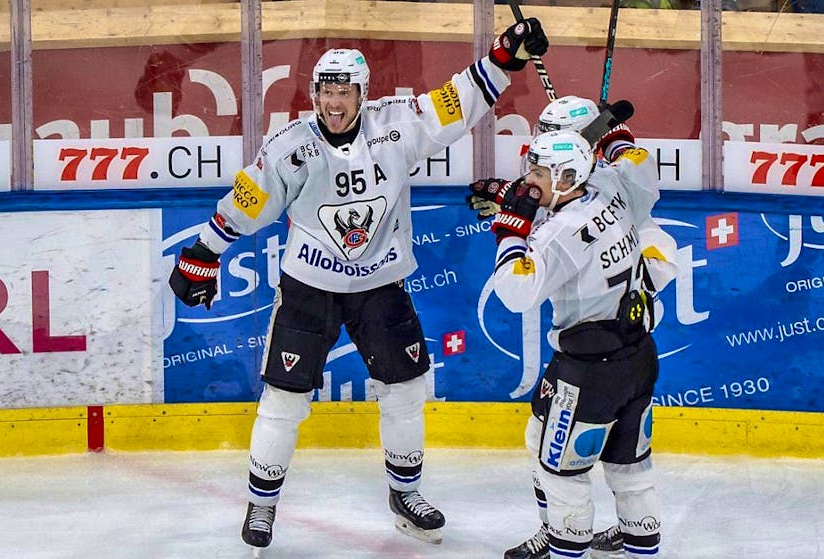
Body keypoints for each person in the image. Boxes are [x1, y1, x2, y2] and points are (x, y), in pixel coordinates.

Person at [167, 19, 549, 555]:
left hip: (381, 284)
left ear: (362, 95)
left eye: (344, 92)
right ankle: (262, 502)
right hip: (309, 288)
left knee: (406, 390)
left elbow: (454, 103)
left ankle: (406, 494)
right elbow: (247, 202)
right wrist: (204, 251)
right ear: (315, 95)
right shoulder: (289, 148)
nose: (333, 103)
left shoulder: (398, 124)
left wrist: (504, 58)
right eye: (325, 92)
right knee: (284, 399)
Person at [478, 129, 666, 559]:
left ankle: (562, 544)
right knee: (631, 468)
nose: (529, 179)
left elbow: (515, 292)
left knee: (562, 473)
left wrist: (509, 231)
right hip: (637, 355)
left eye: (539, 171)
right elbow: (633, 168)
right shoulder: (611, 190)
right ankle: (641, 547)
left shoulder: (559, 233)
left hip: (588, 372)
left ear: (566, 176)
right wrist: (615, 138)